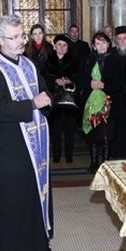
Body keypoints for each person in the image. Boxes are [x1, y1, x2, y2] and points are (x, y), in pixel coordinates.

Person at [0, 15, 52, 251]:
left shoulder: (30, 64)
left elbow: (43, 91)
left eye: (23, 35)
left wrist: (50, 99)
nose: (22, 40)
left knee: (33, 190)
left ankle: (37, 238)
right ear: (0, 40)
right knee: (12, 195)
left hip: (37, 141)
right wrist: (32, 103)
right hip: (10, 144)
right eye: (16, 37)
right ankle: (10, 244)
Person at [78, 31, 113, 171]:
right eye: (98, 43)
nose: (101, 46)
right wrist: (89, 83)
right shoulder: (87, 60)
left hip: (108, 102)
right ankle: (93, 162)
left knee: (105, 135)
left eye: (104, 42)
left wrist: (105, 85)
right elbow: (80, 78)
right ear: (94, 46)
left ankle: (104, 164)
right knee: (92, 133)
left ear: (108, 44)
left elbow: (119, 82)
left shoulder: (114, 59)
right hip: (90, 102)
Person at [104, 25, 126, 159]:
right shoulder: (110, 53)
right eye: (119, 39)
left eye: (125, 38)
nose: (122, 41)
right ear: (115, 40)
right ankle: (115, 154)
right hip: (115, 97)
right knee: (115, 127)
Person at [46, 34, 80, 163]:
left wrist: (70, 81)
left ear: (68, 48)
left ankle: (69, 156)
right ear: (55, 46)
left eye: (64, 45)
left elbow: (79, 77)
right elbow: (43, 77)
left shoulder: (74, 61)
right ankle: (56, 156)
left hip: (69, 101)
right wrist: (55, 80)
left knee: (70, 131)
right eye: (59, 44)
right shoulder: (48, 60)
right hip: (53, 101)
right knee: (55, 131)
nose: (61, 47)